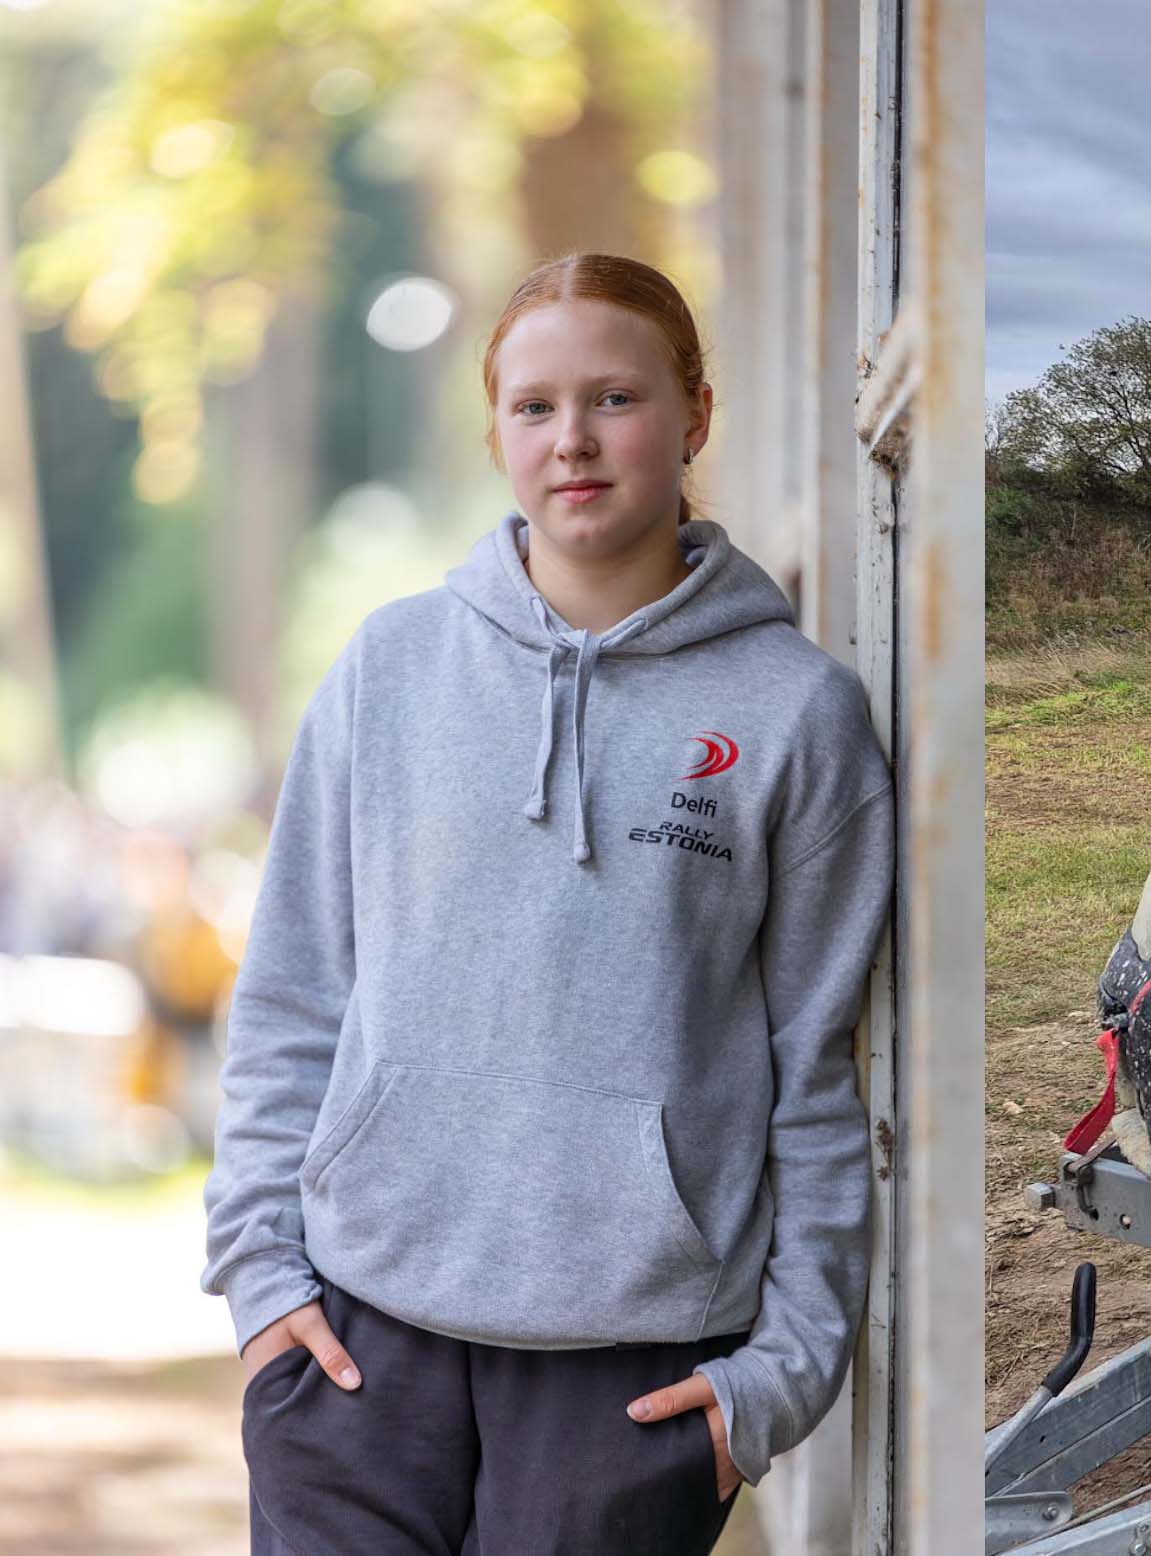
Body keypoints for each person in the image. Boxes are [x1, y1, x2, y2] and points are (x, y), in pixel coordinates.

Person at [201, 253, 894, 1554]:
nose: (572, 440)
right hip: (355, 1346)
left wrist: (777, 1378)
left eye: (613, 399)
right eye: (533, 407)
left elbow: (818, 1074)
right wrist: (259, 1282)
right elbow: (293, 995)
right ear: (496, 433)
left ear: (694, 415)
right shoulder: (388, 668)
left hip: (628, 1380)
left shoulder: (794, 714)